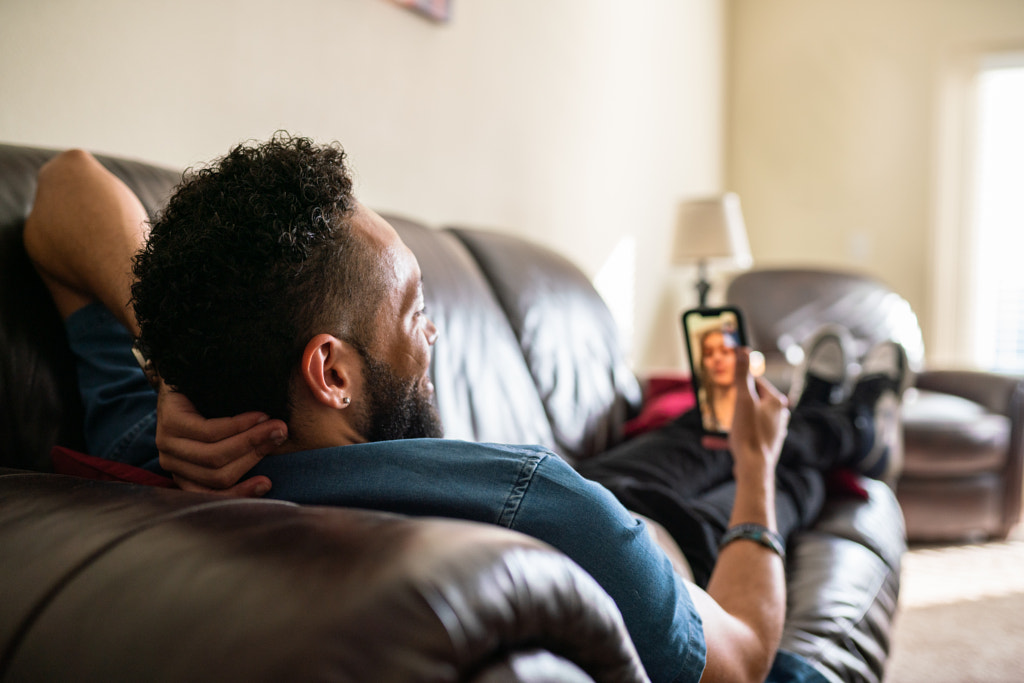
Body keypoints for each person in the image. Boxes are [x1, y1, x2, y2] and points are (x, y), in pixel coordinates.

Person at [23, 135, 905, 683]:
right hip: (677, 541)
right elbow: (745, 656)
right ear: (330, 372)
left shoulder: (152, 447)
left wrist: (175, 363)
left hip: (621, 501)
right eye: (412, 309)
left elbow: (63, 185)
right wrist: (754, 470)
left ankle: (837, 403)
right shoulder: (535, 500)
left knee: (693, 428)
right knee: (763, 448)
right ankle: (848, 412)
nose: (434, 330)